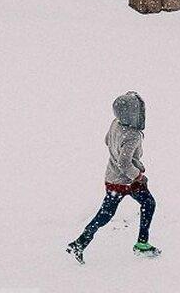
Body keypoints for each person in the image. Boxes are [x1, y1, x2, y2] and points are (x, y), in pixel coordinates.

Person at [67, 92, 159, 263]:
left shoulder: (115, 123)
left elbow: (107, 141)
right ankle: (141, 244)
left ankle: (80, 243)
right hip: (126, 181)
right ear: (132, 114)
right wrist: (138, 175)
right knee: (145, 204)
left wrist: (124, 155)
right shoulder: (133, 135)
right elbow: (124, 163)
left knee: (107, 213)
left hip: (113, 179)